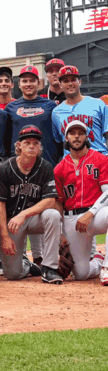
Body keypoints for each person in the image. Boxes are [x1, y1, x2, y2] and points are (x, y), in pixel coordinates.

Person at [0, 126, 62, 283]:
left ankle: (49, 268)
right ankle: (28, 266)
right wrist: (4, 236)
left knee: (53, 215)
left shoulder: (45, 167)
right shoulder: (5, 168)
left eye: (35, 143)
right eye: (27, 142)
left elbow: (50, 200)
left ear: (39, 148)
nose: (31, 146)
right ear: (19, 146)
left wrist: (23, 214)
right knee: (12, 274)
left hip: (34, 219)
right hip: (12, 223)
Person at [53, 119, 108, 284]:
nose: (76, 137)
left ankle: (106, 267)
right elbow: (58, 203)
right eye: (72, 133)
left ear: (86, 137)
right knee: (80, 274)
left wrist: (91, 213)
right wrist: (61, 232)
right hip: (73, 220)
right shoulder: (59, 168)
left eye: (80, 133)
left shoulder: (101, 159)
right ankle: (98, 261)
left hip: (96, 214)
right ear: (66, 138)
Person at [5, 66, 60, 166]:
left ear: (38, 83)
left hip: (47, 164)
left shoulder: (51, 106)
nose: (28, 84)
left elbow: (58, 137)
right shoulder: (10, 108)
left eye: (32, 81)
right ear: (19, 84)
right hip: (19, 166)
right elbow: (6, 139)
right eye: (25, 81)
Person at [52, 65, 108, 155]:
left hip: (98, 159)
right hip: (72, 163)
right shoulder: (56, 112)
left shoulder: (98, 104)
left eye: (73, 80)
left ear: (80, 82)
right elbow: (58, 142)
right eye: (66, 81)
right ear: (60, 85)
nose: (70, 84)